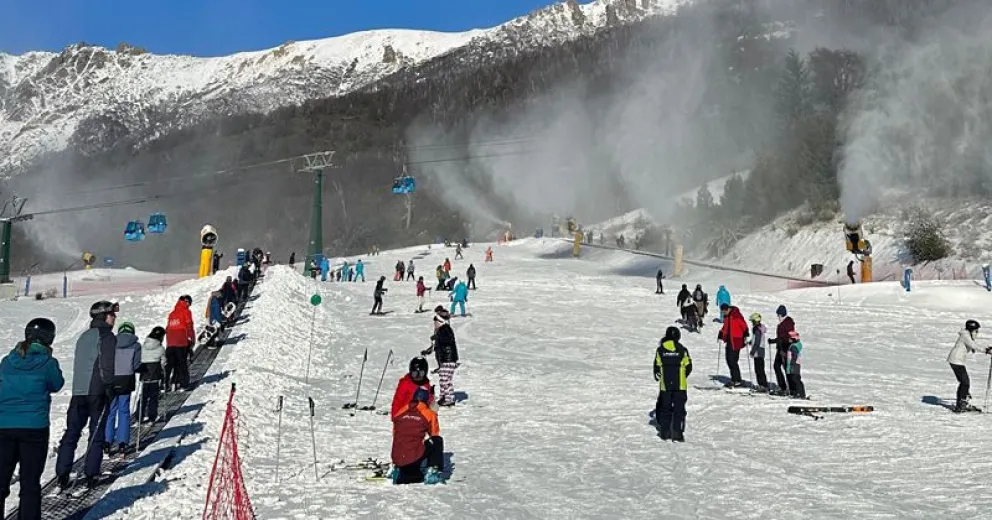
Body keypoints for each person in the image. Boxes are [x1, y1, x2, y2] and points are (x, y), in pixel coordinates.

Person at [0, 318, 64, 517]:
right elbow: (57, 384)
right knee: (30, 483)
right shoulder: (48, 362)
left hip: (4, 427)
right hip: (34, 428)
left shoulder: (7, 360)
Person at [56, 300, 118, 491]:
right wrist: (110, 387)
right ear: (105, 317)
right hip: (97, 391)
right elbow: (107, 364)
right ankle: (91, 473)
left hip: (78, 391)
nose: (114, 318)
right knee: (96, 433)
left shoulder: (83, 336)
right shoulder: (107, 336)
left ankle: (62, 473)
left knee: (72, 432)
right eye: (112, 315)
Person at [390, 388, 445, 485]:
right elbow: (434, 434)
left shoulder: (401, 411)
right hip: (413, 456)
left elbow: (395, 433)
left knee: (415, 475)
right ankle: (433, 471)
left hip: (397, 456)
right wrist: (434, 414)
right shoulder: (428, 413)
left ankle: (398, 468)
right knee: (437, 441)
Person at [105, 322, 141, 457]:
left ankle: (107, 442)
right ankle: (122, 443)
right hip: (126, 380)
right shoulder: (136, 345)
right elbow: (136, 365)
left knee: (110, 411)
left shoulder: (111, 344)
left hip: (112, 379)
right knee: (124, 411)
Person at [653, 326, 692, 442]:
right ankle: (677, 433)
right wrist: (683, 376)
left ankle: (665, 432)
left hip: (665, 385)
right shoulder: (682, 349)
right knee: (679, 409)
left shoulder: (660, 350)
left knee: (665, 408)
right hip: (680, 385)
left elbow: (657, 367)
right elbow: (689, 366)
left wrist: (660, 376)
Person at [947, 320, 990, 412]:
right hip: (956, 361)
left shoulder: (966, 335)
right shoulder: (965, 336)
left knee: (964, 382)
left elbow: (973, 344)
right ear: (971, 329)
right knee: (965, 382)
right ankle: (961, 403)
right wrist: (987, 351)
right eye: (976, 331)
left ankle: (962, 401)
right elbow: (973, 345)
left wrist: (987, 348)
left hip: (956, 360)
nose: (977, 333)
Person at [422, 307, 458, 406]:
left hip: (448, 358)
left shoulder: (445, 328)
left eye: (436, 322)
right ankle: (443, 397)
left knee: (445, 380)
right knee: (443, 379)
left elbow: (448, 340)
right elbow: (435, 346)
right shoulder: (440, 331)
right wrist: (427, 351)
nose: (435, 325)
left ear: (440, 322)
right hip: (443, 359)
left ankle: (449, 399)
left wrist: (437, 337)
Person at [165, 295, 195, 392]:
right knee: (182, 363)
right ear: (187, 302)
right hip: (181, 341)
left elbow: (168, 328)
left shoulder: (172, 314)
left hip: (170, 342)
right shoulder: (186, 312)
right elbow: (189, 326)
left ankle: (169, 383)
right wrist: (192, 340)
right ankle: (184, 384)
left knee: (171, 364)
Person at [139, 326, 167, 424]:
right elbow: (163, 362)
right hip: (155, 375)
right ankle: (152, 416)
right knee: (153, 397)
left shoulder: (143, 347)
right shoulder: (160, 348)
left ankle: (140, 415)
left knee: (143, 396)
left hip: (144, 375)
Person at [717, 304, 749, 387]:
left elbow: (744, 325)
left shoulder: (736, 315)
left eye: (724, 311)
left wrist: (746, 333)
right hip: (729, 341)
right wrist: (721, 333)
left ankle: (737, 380)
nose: (723, 313)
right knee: (729, 360)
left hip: (736, 341)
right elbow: (726, 327)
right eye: (722, 312)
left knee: (732, 361)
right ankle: (734, 379)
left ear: (727, 309)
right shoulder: (727, 316)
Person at [768, 305, 795, 396]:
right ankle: (783, 386)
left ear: (781, 314)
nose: (777, 317)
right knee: (776, 366)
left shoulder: (787, 323)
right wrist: (774, 341)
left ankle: (789, 388)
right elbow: (781, 337)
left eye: (778, 315)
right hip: (780, 348)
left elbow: (789, 337)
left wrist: (781, 342)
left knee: (786, 368)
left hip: (785, 348)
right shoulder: (783, 323)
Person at [748, 313, 769, 392]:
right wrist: (750, 342)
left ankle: (763, 385)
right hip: (760, 350)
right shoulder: (759, 328)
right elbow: (755, 339)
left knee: (759, 369)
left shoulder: (757, 329)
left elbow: (757, 342)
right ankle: (762, 385)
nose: (752, 323)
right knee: (759, 369)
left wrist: (752, 352)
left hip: (758, 351)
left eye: (753, 321)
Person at [785, 330, 806, 399]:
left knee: (795, 379)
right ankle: (797, 392)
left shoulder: (793, 346)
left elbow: (794, 356)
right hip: (794, 364)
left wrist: (792, 364)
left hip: (794, 365)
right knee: (793, 379)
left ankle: (800, 393)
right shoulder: (793, 345)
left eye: (790, 338)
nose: (788, 339)